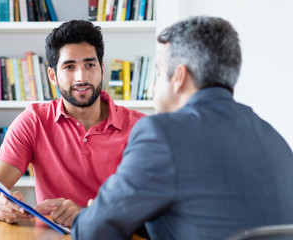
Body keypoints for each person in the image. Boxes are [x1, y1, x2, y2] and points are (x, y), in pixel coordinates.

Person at [71, 16, 293, 240]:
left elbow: (93, 232)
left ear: (179, 76)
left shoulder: (162, 134)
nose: (153, 86)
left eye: (158, 73)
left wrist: (95, 212)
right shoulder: (276, 141)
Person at [0, 20, 145, 227]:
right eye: (69, 67)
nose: (81, 77)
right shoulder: (34, 120)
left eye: (89, 65)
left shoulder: (140, 127)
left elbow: (154, 205)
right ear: (53, 76)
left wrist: (88, 214)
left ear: (101, 69)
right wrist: (1, 208)